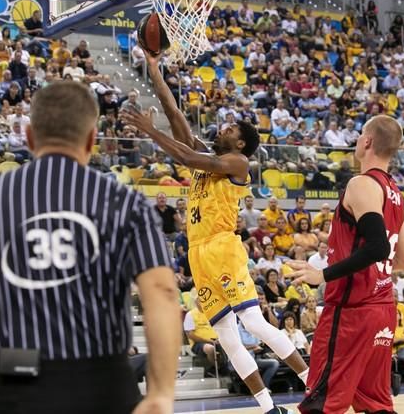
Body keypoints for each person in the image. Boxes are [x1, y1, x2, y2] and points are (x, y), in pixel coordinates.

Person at [0, 81, 181, 414]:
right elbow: (163, 293)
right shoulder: (126, 202)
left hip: (11, 379)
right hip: (101, 382)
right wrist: (161, 394)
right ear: (92, 139)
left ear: (31, 137)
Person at [120, 50, 309, 414]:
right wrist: (155, 71)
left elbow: (188, 159)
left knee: (252, 321)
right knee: (225, 335)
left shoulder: (238, 163)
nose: (222, 127)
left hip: (223, 247)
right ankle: (268, 406)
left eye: (230, 129)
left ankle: (313, 382)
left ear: (239, 143)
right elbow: (175, 114)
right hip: (198, 252)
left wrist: (149, 131)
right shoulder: (210, 157)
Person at [284, 115, 404, 414]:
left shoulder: (361, 184)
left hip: (351, 311)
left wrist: (323, 274)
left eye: (359, 135)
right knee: (375, 405)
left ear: (367, 141)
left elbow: (378, 247)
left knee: (322, 403)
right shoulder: (398, 196)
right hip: (382, 310)